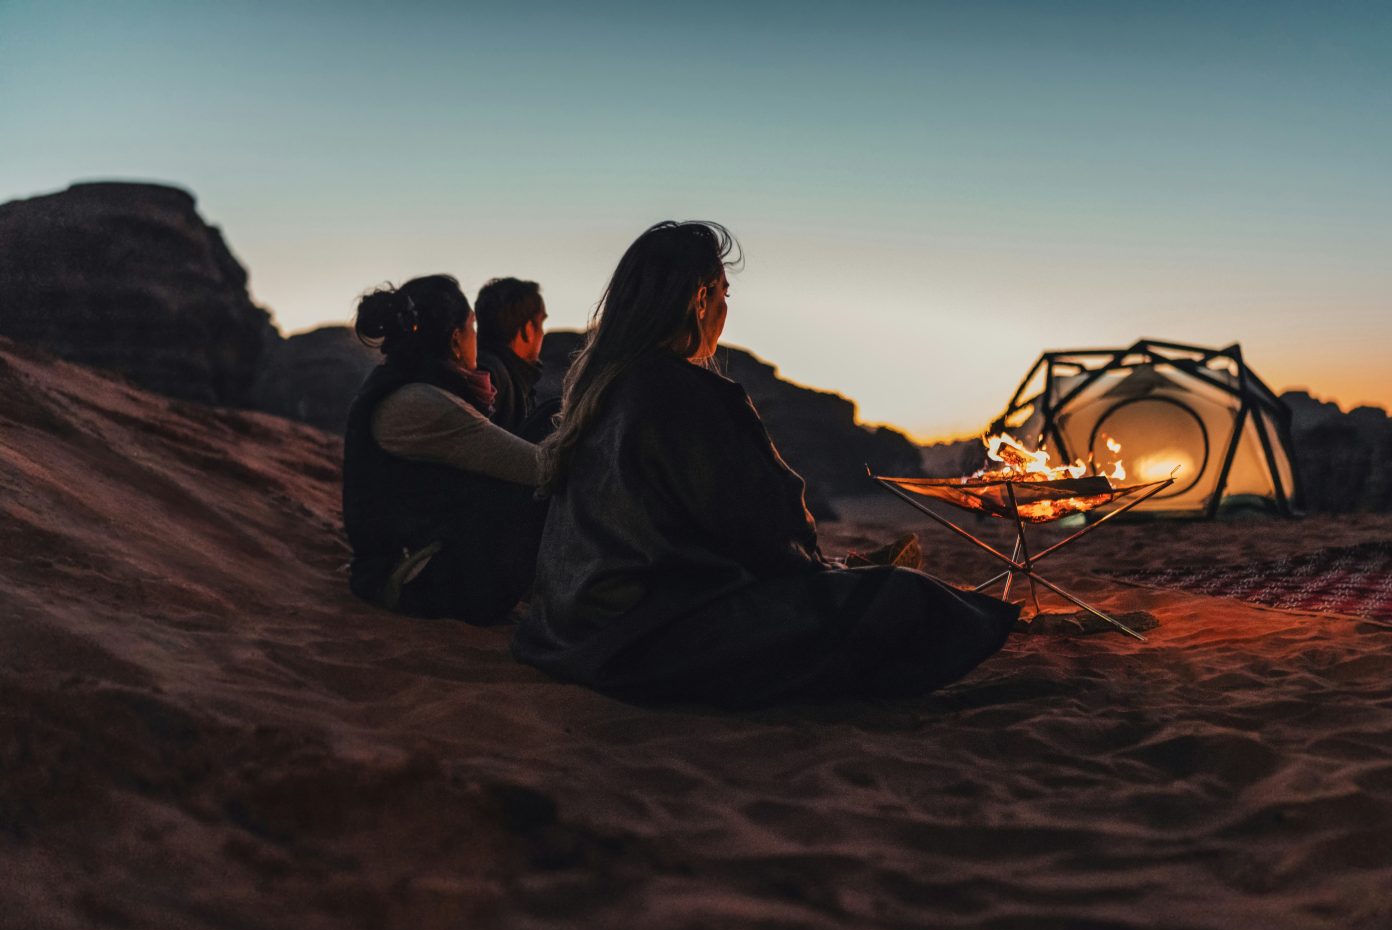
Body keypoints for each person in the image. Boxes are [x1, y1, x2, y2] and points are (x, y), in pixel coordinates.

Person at [514, 222, 1018, 707]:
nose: (725, 310)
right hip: (649, 640)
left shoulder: (600, 390)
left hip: (572, 629)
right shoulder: (689, 394)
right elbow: (764, 530)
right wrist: (818, 570)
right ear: (700, 298)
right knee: (902, 597)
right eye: (725, 295)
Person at [343, 274, 546, 626]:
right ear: (455, 339)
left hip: (417, 563)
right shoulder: (424, 404)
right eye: (472, 328)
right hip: (414, 580)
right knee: (543, 482)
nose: (476, 342)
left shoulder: (410, 387)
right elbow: (542, 468)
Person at [473, 276, 556, 439]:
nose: (542, 334)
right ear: (528, 329)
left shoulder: (499, 372)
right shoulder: (490, 376)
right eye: (541, 323)